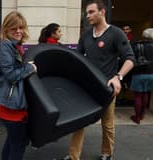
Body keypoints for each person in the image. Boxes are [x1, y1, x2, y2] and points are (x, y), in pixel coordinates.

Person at [61, 1, 135, 160]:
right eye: (86, 13)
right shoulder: (86, 35)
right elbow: (78, 59)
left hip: (107, 88)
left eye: (91, 12)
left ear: (102, 12)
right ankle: (74, 156)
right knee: (79, 122)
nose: (87, 16)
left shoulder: (116, 33)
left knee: (107, 125)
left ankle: (107, 153)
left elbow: (130, 59)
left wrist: (118, 77)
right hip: (87, 87)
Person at [0, 11, 37, 160]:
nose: (18, 31)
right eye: (13, 28)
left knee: (13, 139)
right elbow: (11, 75)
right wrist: (30, 68)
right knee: (19, 142)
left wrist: (25, 65)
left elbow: (13, 68)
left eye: (20, 27)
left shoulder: (15, 45)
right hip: (8, 103)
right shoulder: (5, 46)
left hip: (9, 100)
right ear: (6, 29)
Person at [130, 28, 153, 124]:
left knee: (138, 96)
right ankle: (142, 114)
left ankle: (137, 117)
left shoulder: (137, 45)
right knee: (146, 93)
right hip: (151, 74)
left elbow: (131, 58)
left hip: (139, 73)